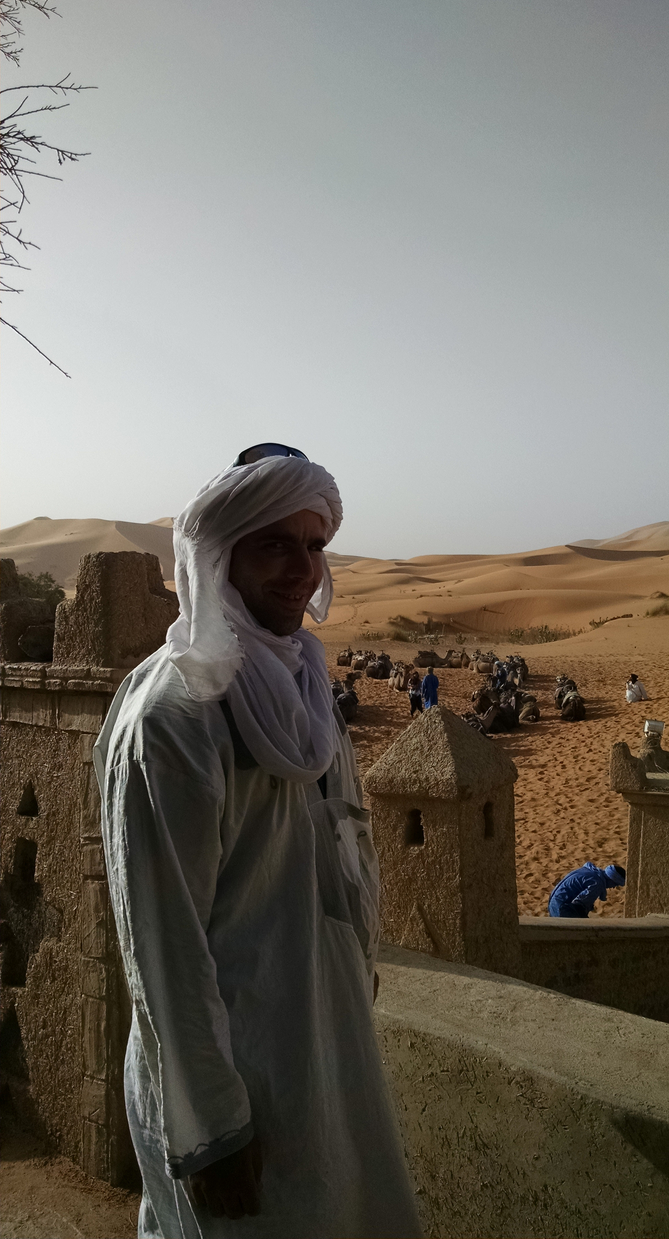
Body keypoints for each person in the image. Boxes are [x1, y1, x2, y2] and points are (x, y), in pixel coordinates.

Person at [94, 444, 421, 1239]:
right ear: (220, 553)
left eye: (313, 545)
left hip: (320, 1025)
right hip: (232, 1067)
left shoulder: (305, 687)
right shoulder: (174, 716)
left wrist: (357, 954)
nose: (302, 568)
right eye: (274, 543)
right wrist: (211, 1125)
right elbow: (161, 940)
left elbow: (346, 838)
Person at [548, 862, 626, 917]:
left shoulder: (590, 871)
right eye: (615, 884)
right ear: (611, 880)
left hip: (553, 903)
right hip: (561, 907)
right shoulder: (597, 884)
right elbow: (579, 905)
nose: (613, 887)